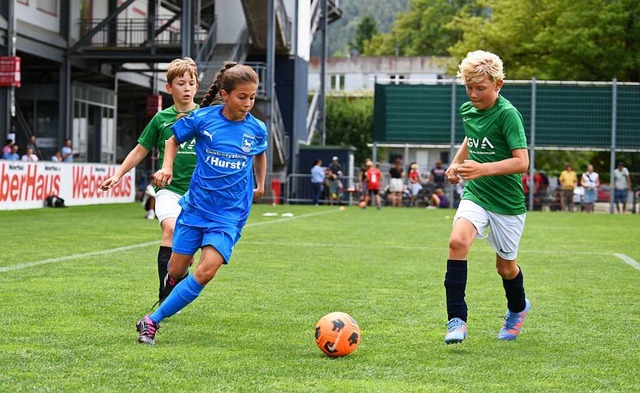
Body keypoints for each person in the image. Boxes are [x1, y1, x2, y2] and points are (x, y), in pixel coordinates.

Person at [135, 61, 267, 345]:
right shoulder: (203, 119)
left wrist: (261, 184)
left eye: (252, 97)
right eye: (242, 96)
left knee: (205, 271)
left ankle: (151, 321)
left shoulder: (256, 128)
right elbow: (171, 140)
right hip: (195, 209)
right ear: (225, 94)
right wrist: (167, 167)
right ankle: (170, 289)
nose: (248, 103)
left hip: (229, 215)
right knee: (176, 271)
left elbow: (260, 153)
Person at [443, 50, 530, 345]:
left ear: (498, 85)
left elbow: (522, 162)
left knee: (505, 268)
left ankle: (518, 309)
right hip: (477, 194)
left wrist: (482, 168)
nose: (473, 94)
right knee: (457, 241)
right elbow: (471, 137)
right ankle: (456, 319)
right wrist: (456, 163)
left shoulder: (508, 114)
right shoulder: (469, 109)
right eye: (469, 88)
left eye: (480, 88)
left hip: (507, 203)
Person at [99, 57, 200, 304]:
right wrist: (117, 174)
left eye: (191, 83)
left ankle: (181, 267)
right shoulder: (160, 119)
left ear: (197, 86)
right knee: (171, 229)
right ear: (169, 88)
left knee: (188, 248)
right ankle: (165, 297)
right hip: (169, 190)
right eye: (180, 83)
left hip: (200, 194)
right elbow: (139, 151)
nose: (186, 88)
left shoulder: (206, 117)